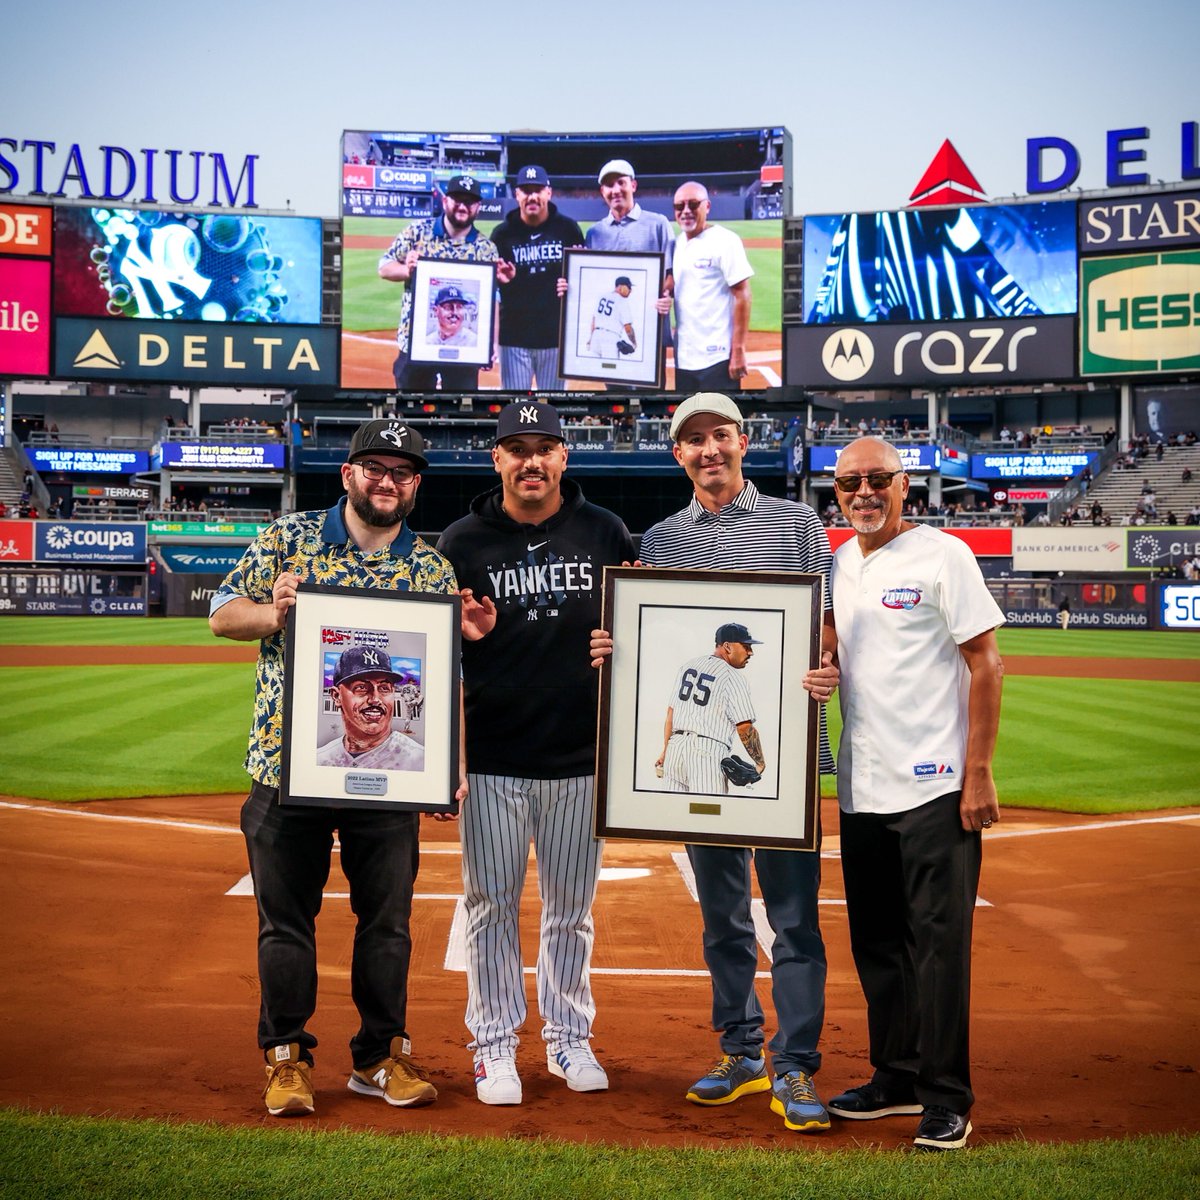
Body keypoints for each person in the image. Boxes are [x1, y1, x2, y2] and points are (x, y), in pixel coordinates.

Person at [589, 391, 838, 1136]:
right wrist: (615, 651)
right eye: (693, 440)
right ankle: (740, 1052)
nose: (709, 450)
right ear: (678, 453)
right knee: (722, 917)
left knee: (793, 920)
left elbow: (828, 627)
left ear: (743, 440)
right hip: (704, 772)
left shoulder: (798, 524)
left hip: (785, 764)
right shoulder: (662, 539)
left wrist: (829, 664)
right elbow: (655, 644)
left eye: (720, 435)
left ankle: (793, 1060)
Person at [209, 418, 472, 1119]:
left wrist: (451, 763)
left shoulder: (429, 566)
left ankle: (381, 1054)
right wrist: (276, 612)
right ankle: (287, 1058)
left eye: (404, 472)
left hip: (390, 779)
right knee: (284, 923)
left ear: (416, 485)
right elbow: (221, 615)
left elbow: (447, 678)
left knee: (386, 923)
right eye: (375, 467)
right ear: (349, 473)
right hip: (283, 768)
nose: (388, 481)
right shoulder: (288, 538)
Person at [437, 400, 634, 1106]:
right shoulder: (460, 541)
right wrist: (466, 636)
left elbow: (642, 632)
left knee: (571, 911)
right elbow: (434, 655)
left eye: (543, 447)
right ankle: (493, 1046)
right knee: (489, 906)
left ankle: (567, 1036)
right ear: (496, 460)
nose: (530, 461)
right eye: (515, 448)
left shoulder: (605, 531)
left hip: (581, 758)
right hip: (491, 758)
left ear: (563, 457)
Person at [824, 436, 1004, 1152]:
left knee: (938, 947)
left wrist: (979, 770)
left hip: (935, 785)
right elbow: (834, 650)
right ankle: (895, 1076)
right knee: (877, 944)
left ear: (904, 485)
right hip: (863, 787)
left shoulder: (944, 555)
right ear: (835, 492)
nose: (863, 493)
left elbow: (986, 664)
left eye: (877, 480)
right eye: (848, 484)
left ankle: (946, 1096)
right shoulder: (841, 560)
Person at [378, 175, 507, 391]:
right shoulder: (417, 232)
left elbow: (493, 298)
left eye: (470, 201)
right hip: (415, 343)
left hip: (464, 350)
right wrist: (406, 270)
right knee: (412, 415)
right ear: (445, 200)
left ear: (478, 207)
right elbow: (384, 267)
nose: (463, 206)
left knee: (461, 414)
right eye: (457, 199)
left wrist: (490, 344)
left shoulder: (486, 248)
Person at [491, 165, 584, 391]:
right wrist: (501, 280)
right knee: (516, 409)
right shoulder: (501, 234)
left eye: (538, 190)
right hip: (513, 339)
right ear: (517, 195)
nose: (532, 196)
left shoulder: (568, 229)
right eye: (526, 190)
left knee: (552, 409)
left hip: (555, 338)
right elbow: (490, 291)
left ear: (548, 193)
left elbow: (583, 284)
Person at [657, 623, 766, 792]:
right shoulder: (733, 677)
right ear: (727, 646)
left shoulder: (688, 666)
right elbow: (744, 727)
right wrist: (760, 763)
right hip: (706, 755)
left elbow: (671, 713)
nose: (751, 652)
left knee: (673, 814)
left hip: (674, 751)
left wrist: (665, 751)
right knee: (709, 814)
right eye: (746, 646)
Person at [667, 182, 754, 391]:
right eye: (680, 206)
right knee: (690, 423)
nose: (686, 211)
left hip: (718, 358)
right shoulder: (677, 244)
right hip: (685, 360)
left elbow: (743, 294)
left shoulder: (725, 240)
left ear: (707, 206)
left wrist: (739, 349)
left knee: (719, 422)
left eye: (693, 204)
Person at [315, 646, 424, 770]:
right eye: (361, 687)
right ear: (336, 696)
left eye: (384, 688)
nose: (375, 699)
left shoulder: (419, 760)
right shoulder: (320, 759)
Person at [587, 276, 638, 361]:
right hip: (610, 338)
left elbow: (594, 321)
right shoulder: (622, 301)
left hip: (596, 337)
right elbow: (628, 328)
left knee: (594, 368)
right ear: (621, 286)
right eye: (629, 287)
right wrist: (634, 343)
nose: (630, 290)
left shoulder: (602, 297)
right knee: (610, 368)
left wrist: (590, 339)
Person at [426, 283, 477, 348]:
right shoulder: (428, 342)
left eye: (459, 307)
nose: (455, 312)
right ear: (436, 311)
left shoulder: (473, 342)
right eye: (448, 307)